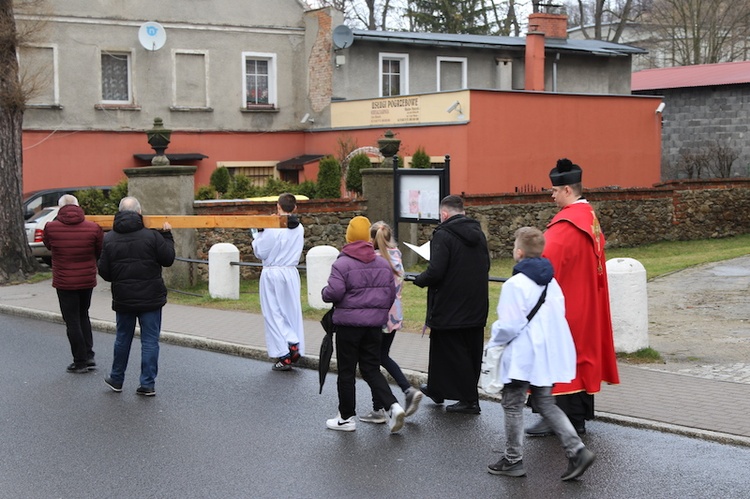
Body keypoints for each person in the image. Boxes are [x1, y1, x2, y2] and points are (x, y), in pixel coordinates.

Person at [485, 227, 595, 481]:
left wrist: (494, 341)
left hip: (523, 355)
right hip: (546, 354)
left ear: (519, 252)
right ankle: (576, 450)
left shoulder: (515, 284)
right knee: (546, 402)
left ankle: (513, 460)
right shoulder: (552, 281)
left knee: (512, 403)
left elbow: (510, 324)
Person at [526, 158, 620, 436]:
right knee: (580, 358)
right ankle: (576, 417)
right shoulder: (588, 218)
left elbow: (543, 263)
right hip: (585, 301)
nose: (552, 196)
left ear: (567, 190)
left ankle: (557, 418)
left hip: (565, 305)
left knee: (558, 357)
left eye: (555, 191)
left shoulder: (566, 226)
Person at [322, 216, 406, 433]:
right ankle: (393, 406)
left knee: (347, 371)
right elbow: (390, 295)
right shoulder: (382, 263)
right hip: (373, 326)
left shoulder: (342, 263)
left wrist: (324, 292)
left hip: (349, 326)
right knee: (371, 368)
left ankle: (346, 418)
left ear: (349, 236)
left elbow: (334, 292)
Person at [413, 195, 490, 414]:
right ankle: (438, 389)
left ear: (444, 214)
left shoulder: (443, 234)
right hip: (476, 304)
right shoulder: (478, 234)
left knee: (454, 353)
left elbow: (436, 271)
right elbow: (485, 266)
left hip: (450, 306)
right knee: (468, 351)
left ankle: (469, 400)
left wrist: (419, 280)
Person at [98, 196, 175, 396]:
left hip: (124, 298)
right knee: (150, 340)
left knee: (122, 339)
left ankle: (117, 379)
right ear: (140, 213)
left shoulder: (109, 238)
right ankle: (147, 383)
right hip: (151, 297)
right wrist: (167, 236)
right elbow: (168, 260)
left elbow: (104, 273)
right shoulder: (152, 236)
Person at [359, 221, 423, 424]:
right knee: (380, 356)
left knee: (373, 360)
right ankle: (385, 404)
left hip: (378, 315)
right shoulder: (396, 255)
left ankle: (396, 397)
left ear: (371, 239)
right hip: (394, 313)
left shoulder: (373, 260)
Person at [42, 194, 104, 374]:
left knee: (72, 321)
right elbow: (99, 250)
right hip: (86, 279)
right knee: (84, 315)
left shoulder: (51, 227)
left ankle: (80, 361)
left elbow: (48, 245)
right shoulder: (93, 227)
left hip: (64, 282)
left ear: (60, 208)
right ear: (78, 206)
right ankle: (89, 354)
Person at [251, 192, 305, 371]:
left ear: (278, 207)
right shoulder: (300, 228)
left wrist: (258, 234)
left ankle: (284, 352)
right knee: (290, 311)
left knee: (273, 313)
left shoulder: (272, 228)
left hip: (273, 272)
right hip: (290, 272)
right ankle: (294, 343)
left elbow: (260, 252)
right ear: (295, 208)